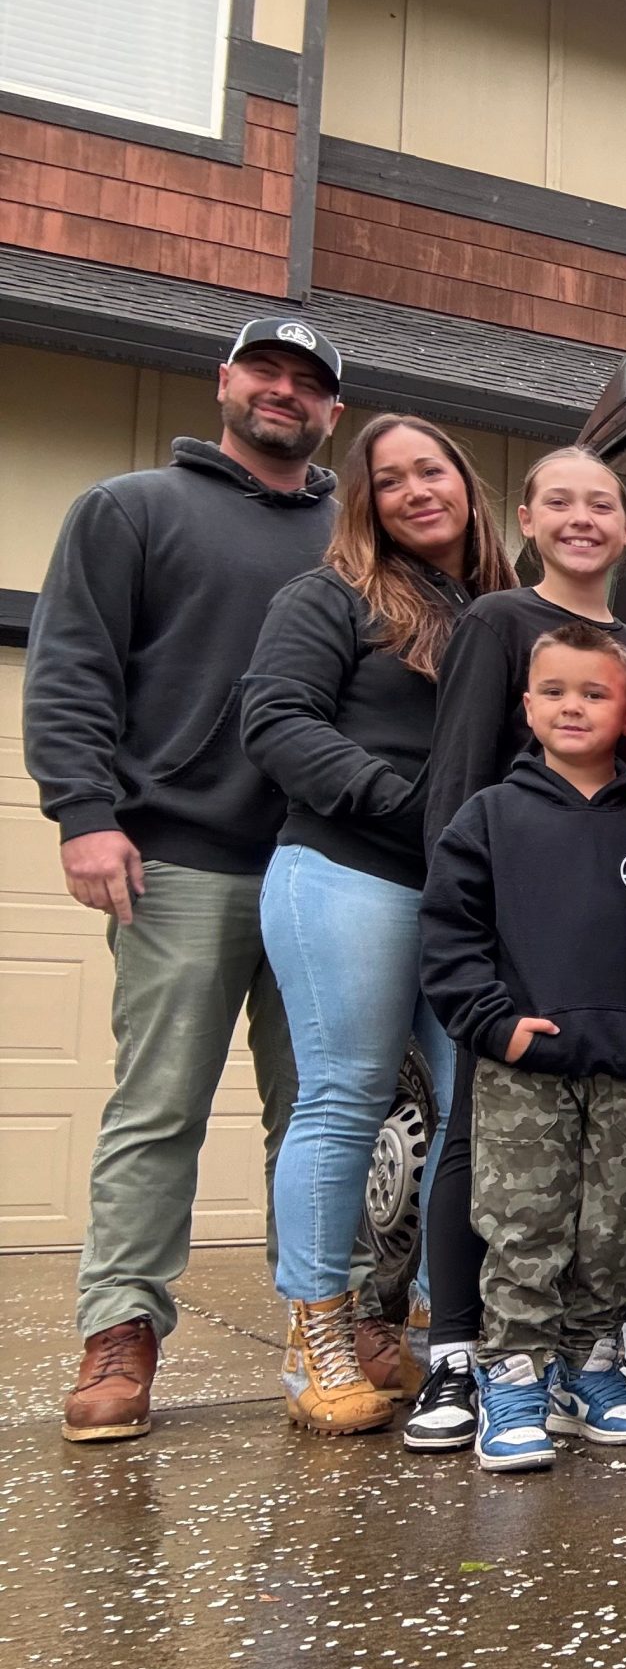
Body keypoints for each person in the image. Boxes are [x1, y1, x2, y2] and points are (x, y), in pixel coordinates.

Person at [29, 318, 345, 1443]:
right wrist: (83, 815)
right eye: (266, 371)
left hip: (329, 870)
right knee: (159, 1108)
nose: (283, 393)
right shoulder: (131, 510)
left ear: (332, 414)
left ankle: (329, 1328)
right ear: (224, 383)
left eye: (308, 384)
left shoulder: (354, 535)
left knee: (320, 1112)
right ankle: (120, 1335)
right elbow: (72, 666)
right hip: (179, 859)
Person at [405, 448, 626, 1456]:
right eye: (556, 695)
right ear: (526, 708)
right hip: (525, 1060)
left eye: (597, 695)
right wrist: (494, 1024)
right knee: (524, 1225)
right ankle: (512, 1381)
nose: (575, 707)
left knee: (613, 1225)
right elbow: (450, 932)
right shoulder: (492, 818)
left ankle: (592, 1370)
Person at [243, 413, 509, 1434]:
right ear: (368, 502)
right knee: (347, 1097)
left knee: (467, 1112)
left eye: (431, 469)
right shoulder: (332, 595)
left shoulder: (494, 608)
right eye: (390, 479)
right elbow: (275, 721)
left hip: (464, 891)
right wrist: (405, 808)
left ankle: (432, 1334)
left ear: (464, 482)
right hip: (350, 869)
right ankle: (317, 1340)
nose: (415, 490)